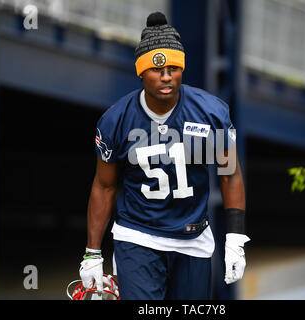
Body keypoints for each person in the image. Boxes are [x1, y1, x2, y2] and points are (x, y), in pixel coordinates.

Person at [79, 11, 250, 300]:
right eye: (157, 69)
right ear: (141, 72)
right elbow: (104, 185)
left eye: (173, 67)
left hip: (192, 238)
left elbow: (230, 173)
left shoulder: (210, 112)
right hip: (138, 235)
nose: (167, 76)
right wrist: (92, 253)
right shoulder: (116, 120)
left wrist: (235, 237)